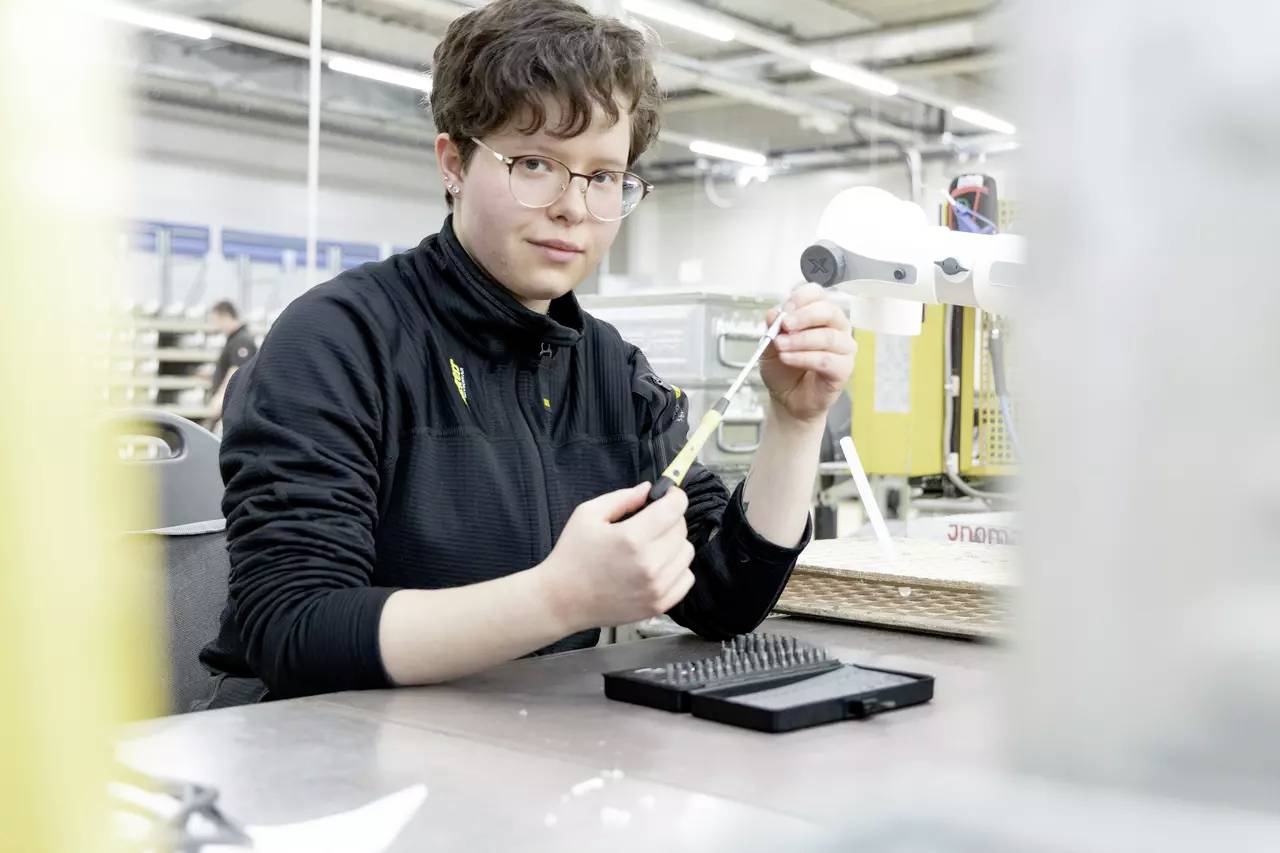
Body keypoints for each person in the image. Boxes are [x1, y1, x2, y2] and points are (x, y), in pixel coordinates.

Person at [196, 0, 856, 708]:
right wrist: (557, 597)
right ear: (454, 161)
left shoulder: (612, 372)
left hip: (525, 755)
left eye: (604, 176)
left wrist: (794, 421)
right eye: (536, 163)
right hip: (330, 767)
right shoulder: (339, 340)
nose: (574, 207)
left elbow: (722, 602)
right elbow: (293, 630)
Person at [206, 300, 257, 429]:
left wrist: (219, 401)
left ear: (225, 317)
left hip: (234, 409)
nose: (215, 325)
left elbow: (236, 373)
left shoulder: (242, 341)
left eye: (216, 320)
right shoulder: (234, 339)